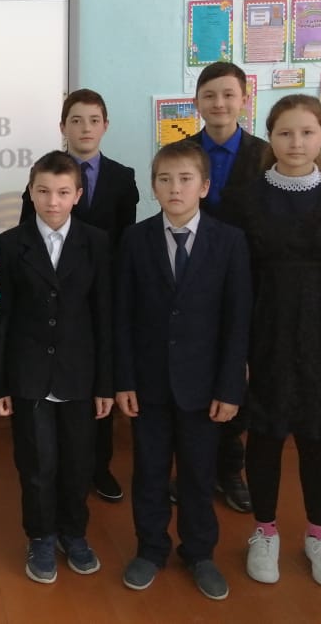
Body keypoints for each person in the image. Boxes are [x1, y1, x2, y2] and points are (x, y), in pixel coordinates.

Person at [222, 95, 321, 590]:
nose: (296, 143)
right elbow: (234, 283)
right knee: (263, 437)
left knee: (318, 441)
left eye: (307, 132)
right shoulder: (244, 198)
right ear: (271, 136)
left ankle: (319, 534)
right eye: (285, 133)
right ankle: (264, 531)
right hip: (263, 334)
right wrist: (236, 354)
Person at [114, 140, 251, 601]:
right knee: (150, 473)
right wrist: (124, 379)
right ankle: (151, 548)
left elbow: (237, 320)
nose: (175, 188)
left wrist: (230, 388)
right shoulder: (135, 240)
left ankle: (200, 552)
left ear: (204, 186)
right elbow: (122, 316)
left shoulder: (229, 241)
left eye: (185, 179)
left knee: (198, 474)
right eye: (165, 179)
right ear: (154, 187)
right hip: (148, 385)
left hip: (205, 387)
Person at [0, 150, 114, 584]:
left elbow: (104, 316)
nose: (53, 201)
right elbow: (1, 317)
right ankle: (41, 536)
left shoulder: (97, 242)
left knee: (78, 463)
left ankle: (73, 533)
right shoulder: (11, 243)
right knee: (36, 464)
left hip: (80, 375)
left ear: (78, 194)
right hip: (28, 375)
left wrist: (106, 383)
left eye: (63, 192)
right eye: (43, 191)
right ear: (30, 192)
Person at [19, 88, 137, 503]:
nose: (85, 128)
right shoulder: (44, 176)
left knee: (96, 385)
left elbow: (126, 239)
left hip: (98, 293)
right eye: (76, 120)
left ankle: (98, 467)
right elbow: (27, 239)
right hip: (51, 299)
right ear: (63, 127)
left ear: (105, 126)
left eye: (93, 120)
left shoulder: (122, 177)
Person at [183, 60, 268, 514]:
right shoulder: (181, 153)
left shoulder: (265, 154)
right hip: (189, 284)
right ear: (197, 102)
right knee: (193, 372)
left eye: (228, 94)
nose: (219, 103)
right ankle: (193, 468)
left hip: (248, 281)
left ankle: (231, 469)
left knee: (238, 375)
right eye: (209, 95)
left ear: (244, 100)